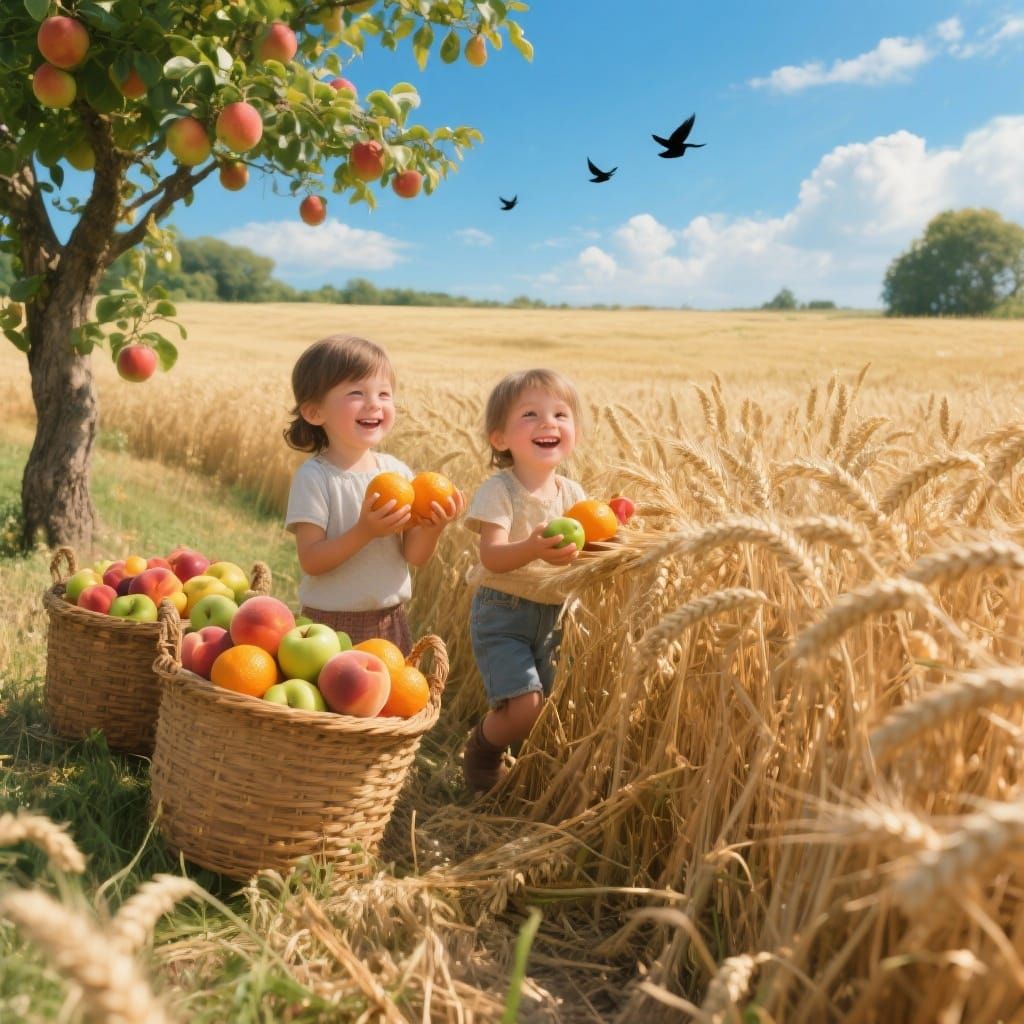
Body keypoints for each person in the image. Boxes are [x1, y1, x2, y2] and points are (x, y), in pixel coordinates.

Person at [283, 334, 464, 654]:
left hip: (390, 620)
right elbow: (311, 559)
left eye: (384, 393)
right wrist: (365, 531)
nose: (374, 403)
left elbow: (414, 556)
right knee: (334, 704)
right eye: (356, 392)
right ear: (314, 413)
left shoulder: (397, 472)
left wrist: (434, 527)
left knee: (390, 704)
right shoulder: (316, 477)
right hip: (329, 626)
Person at [462, 368, 586, 793]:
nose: (548, 423)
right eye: (530, 415)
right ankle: (481, 753)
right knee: (525, 707)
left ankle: (533, 780)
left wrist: (621, 531)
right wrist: (532, 547)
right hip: (502, 613)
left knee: (548, 708)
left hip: (554, 615)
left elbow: (592, 549)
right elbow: (492, 557)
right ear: (500, 439)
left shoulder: (574, 497)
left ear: (576, 433)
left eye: (560, 415)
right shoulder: (499, 491)